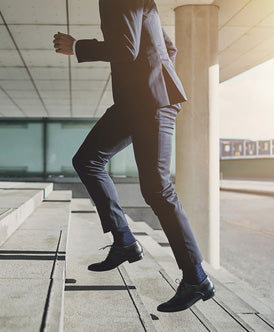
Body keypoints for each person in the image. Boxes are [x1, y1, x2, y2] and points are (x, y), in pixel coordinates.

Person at [53, 0, 215, 312]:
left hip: (151, 101)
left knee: (157, 188)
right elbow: (168, 46)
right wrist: (155, 74)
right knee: (87, 159)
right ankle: (125, 240)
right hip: (136, 101)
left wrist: (78, 47)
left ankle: (196, 278)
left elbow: (126, 48)